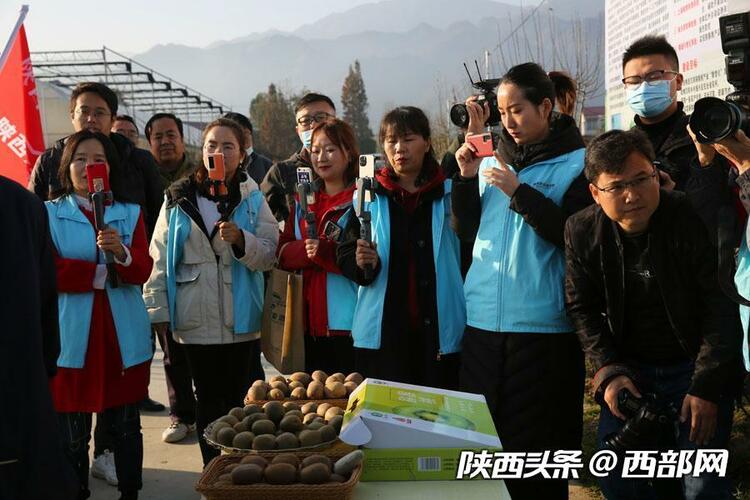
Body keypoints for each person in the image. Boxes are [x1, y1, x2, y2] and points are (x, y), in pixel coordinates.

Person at [565, 129, 740, 499]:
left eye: (641, 179)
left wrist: (706, 387)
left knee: (700, 485)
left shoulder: (690, 215)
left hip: (694, 367)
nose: (632, 195)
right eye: (616, 187)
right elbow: (581, 307)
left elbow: (720, 305)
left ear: (655, 172)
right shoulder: (581, 229)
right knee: (617, 478)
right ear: (595, 193)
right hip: (631, 372)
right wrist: (609, 372)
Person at [453, 62, 591, 500]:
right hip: (482, 329)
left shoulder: (579, 164)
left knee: (539, 466)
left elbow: (574, 236)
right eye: (501, 111)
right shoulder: (493, 160)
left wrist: (520, 192)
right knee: (483, 463)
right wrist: (466, 178)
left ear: (546, 106)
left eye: (517, 111)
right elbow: (468, 231)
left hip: (542, 332)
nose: (507, 122)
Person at [143, 118, 278, 466]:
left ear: (243, 154)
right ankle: (213, 469)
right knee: (207, 399)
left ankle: (245, 469)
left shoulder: (251, 196)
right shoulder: (178, 197)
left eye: (228, 146)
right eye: (211, 146)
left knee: (243, 398)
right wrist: (158, 311)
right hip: (194, 315)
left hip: (241, 315)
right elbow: (159, 255)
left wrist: (241, 241)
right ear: (201, 152)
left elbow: (269, 252)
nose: (218, 152)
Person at [45, 130, 153, 500]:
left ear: (110, 168)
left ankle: (129, 491)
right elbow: (45, 269)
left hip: (121, 337)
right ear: (66, 168)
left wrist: (121, 254)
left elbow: (142, 267)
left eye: (98, 159)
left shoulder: (129, 212)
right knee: (72, 433)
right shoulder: (49, 214)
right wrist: (94, 274)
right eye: (80, 159)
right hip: (73, 338)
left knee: (125, 425)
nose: (89, 166)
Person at [337, 106, 465, 389]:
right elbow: (344, 251)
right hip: (382, 335)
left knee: (436, 419)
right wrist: (361, 263)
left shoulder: (448, 194)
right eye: (391, 140)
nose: (399, 148)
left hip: (440, 331)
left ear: (427, 142)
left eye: (408, 139)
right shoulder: (369, 195)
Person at [0, 176, 78, 500]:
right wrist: (45, 363)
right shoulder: (24, 203)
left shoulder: (24, 204)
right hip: (20, 382)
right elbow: (48, 295)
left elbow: (46, 293)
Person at [621, 36, 733, 235]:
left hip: (697, 258)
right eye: (634, 81)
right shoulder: (621, 147)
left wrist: (699, 171)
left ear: (678, 81)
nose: (643, 86)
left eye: (654, 76)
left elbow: (721, 216)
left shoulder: (705, 136)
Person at [28, 82, 164, 237]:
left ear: (113, 119)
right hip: (67, 257)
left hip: (128, 253)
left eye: (99, 113)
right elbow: (32, 217)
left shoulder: (139, 160)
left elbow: (158, 216)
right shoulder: (49, 161)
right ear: (72, 116)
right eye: (84, 112)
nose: (91, 119)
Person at [277, 118, 358, 374]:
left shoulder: (363, 199)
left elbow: (369, 259)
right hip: (307, 326)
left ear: (349, 152)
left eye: (330, 149)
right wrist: (308, 253)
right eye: (315, 150)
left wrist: (325, 254)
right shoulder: (302, 200)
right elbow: (282, 252)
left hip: (350, 326)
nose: (321, 157)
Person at [144, 112, 198, 443]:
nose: (165, 141)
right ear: (149, 143)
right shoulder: (142, 175)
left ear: (181, 138)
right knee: (171, 350)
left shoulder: (200, 172)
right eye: (158, 136)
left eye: (171, 134)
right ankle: (181, 414)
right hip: (162, 269)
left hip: (200, 271)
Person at [262, 92, 337, 222]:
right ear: (298, 131)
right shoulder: (281, 172)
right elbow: (266, 224)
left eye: (321, 117)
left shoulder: (352, 167)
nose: (313, 125)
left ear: (336, 123)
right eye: (306, 121)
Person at [223, 111, 273, 186]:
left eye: (246, 132)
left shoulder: (266, 165)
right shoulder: (219, 166)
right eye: (238, 133)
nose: (244, 137)